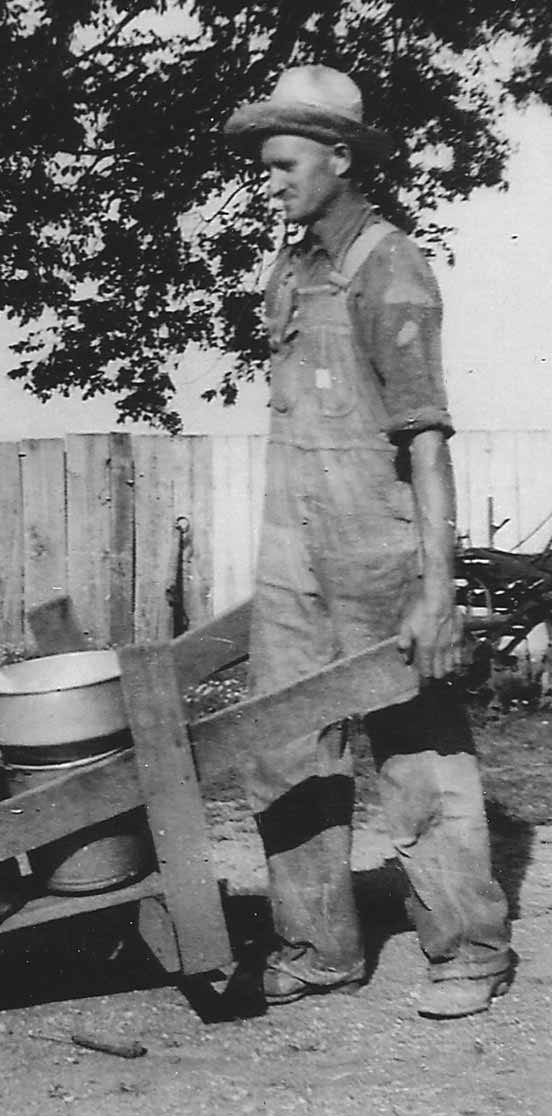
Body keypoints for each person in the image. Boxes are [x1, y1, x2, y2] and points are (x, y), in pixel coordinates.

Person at [222, 66, 512, 1018]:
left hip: (375, 549)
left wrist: (438, 586)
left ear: (340, 159)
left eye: (284, 164)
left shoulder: (390, 265)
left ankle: (467, 948)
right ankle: (318, 946)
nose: (268, 183)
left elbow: (424, 440)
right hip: (292, 547)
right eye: (264, 167)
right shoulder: (291, 267)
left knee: (415, 747)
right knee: (282, 744)